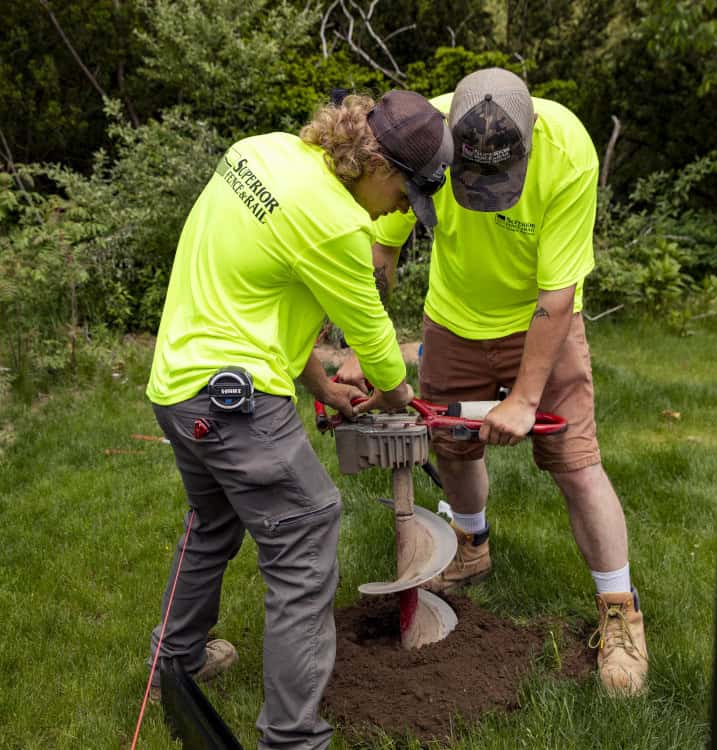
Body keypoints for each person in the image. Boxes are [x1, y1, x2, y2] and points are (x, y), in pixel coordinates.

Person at [144, 89, 453, 749]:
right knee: (307, 536)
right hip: (235, 403)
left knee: (214, 521)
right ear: (382, 169)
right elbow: (373, 341)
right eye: (406, 198)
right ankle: (291, 738)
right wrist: (399, 402)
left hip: (177, 385)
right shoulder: (337, 223)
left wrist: (320, 382)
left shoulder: (261, 154)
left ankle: (177, 661)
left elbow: (260, 296)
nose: (402, 212)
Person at [337, 68, 648, 696]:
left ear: (530, 137)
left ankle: (620, 611)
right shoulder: (426, 133)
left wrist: (528, 400)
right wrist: (362, 342)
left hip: (542, 320)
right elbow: (384, 247)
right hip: (452, 317)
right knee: (452, 446)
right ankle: (470, 544)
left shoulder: (567, 152)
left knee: (575, 460)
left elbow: (557, 296)